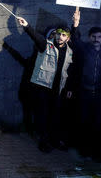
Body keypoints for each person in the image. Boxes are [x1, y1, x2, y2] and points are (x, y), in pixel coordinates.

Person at [16, 16, 74, 153]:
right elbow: (36, 37)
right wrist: (27, 26)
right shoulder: (46, 45)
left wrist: (75, 24)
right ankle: (44, 140)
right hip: (42, 86)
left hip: (58, 88)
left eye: (63, 35)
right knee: (42, 114)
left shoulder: (70, 51)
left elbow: (70, 70)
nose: (60, 37)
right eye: (58, 34)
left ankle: (54, 139)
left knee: (55, 115)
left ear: (67, 38)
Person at [70, 9, 101, 160]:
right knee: (83, 120)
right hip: (84, 91)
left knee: (97, 123)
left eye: (99, 37)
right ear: (89, 37)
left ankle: (94, 150)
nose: (96, 39)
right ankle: (82, 149)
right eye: (94, 37)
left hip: (99, 93)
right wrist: (75, 24)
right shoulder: (84, 49)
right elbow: (75, 40)